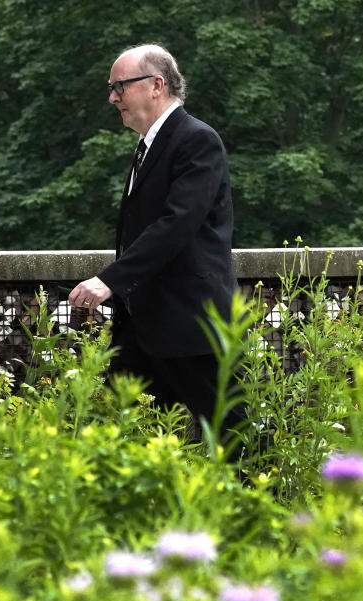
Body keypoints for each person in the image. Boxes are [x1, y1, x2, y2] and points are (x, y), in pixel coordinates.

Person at [69, 43, 241, 436]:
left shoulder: (197, 139)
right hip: (143, 327)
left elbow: (175, 225)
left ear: (156, 85)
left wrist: (109, 279)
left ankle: (260, 500)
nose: (113, 98)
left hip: (192, 324)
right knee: (121, 437)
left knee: (234, 441)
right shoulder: (148, 145)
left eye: (120, 87)